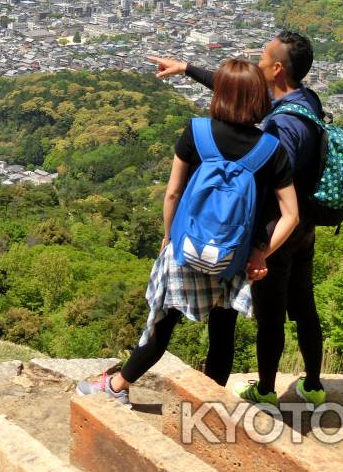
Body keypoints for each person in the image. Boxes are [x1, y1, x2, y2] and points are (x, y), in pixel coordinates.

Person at [77, 59, 300, 407]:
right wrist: (260, 254)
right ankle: (206, 405)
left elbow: (172, 193)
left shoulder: (196, 132)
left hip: (186, 249)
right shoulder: (271, 150)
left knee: (162, 324)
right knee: (222, 333)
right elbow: (291, 215)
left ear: (220, 95)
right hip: (233, 257)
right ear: (260, 98)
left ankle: (118, 386)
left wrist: (168, 238)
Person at [146, 30, 328, 407]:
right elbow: (238, 92)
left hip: (275, 232)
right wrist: (187, 69)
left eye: (263, 57)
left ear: (276, 69)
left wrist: (258, 246)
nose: (257, 61)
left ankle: (265, 391)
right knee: (305, 306)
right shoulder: (306, 100)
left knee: (271, 316)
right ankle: (312, 383)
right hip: (305, 226)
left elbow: (275, 192)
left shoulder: (281, 127)